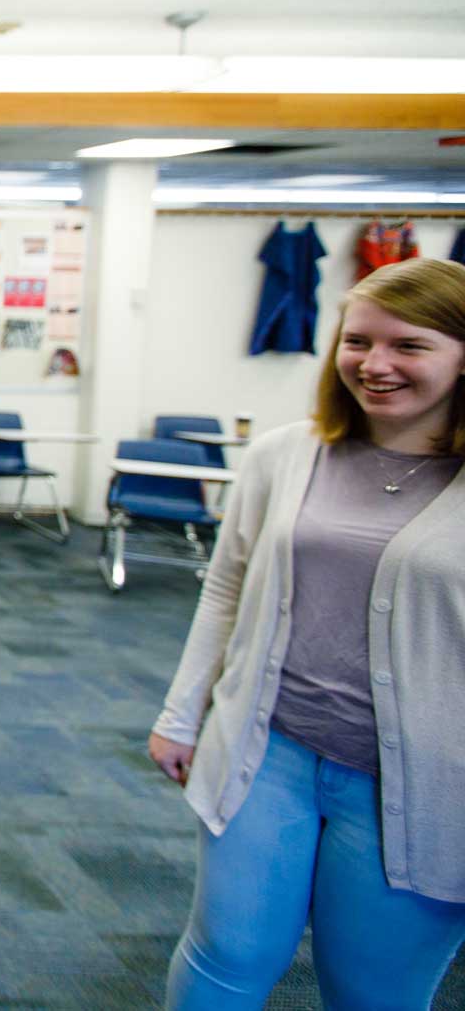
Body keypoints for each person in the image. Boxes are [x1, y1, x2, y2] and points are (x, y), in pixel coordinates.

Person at [149, 258, 465, 1009]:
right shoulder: (284, 454)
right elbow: (226, 586)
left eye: (408, 345)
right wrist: (181, 712)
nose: (374, 363)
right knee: (224, 956)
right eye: (357, 341)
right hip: (267, 753)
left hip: (423, 786)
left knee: (372, 990)